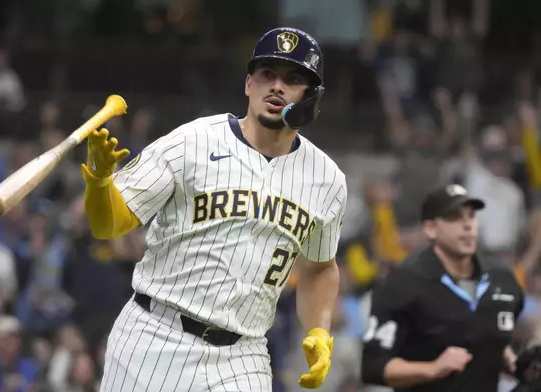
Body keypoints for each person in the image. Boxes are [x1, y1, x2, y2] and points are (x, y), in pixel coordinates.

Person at [81, 27, 347, 391]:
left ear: (312, 96)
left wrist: (319, 328)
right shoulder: (192, 141)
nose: (277, 87)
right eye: (267, 74)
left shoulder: (327, 180)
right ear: (248, 84)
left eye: (293, 79)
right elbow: (107, 226)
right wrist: (99, 184)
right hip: (154, 336)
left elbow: (320, 268)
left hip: (243, 355)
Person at [361, 184, 525, 392]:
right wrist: (432, 369)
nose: (467, 225)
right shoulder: (403, 283)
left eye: (471, 216)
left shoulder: (502, 278)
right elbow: (374, 367)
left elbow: (492, 333)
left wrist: (508, 359)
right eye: (454, 218)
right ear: (431, 228)